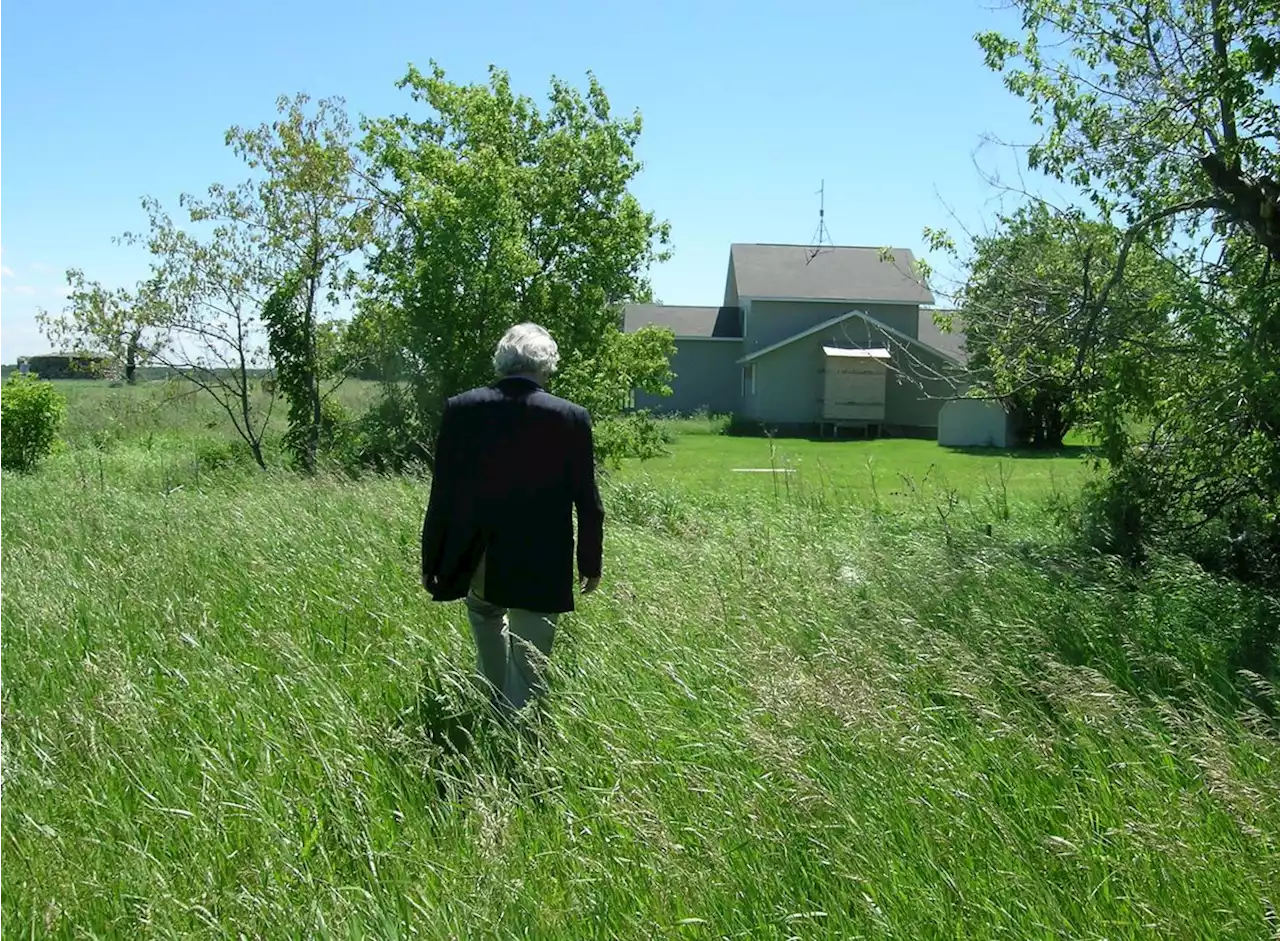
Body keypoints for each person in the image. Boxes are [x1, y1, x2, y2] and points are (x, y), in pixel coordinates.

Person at [420, 323, 604, 714]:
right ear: (546, 365)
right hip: (543, 558)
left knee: (484, 613)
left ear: (502, 361)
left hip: (479, 556)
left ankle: (494, 702)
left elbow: (443, 495)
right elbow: (587, 500)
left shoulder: (462, 409)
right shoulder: (571, 416)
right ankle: (513, 733)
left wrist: (431, 560)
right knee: (530, 667)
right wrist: (590, 562)